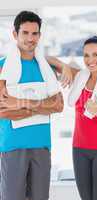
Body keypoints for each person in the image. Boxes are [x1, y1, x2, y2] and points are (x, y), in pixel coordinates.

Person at [48, 36, 97, 200]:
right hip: (79, 148)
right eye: (86, 55)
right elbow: (47, 59)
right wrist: (64, 67)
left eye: (95, 55)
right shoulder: (79, 77)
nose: (90, 60)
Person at [0, 11, 64, 200]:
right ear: (15, 34)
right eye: (25, 33)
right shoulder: (2, 67)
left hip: (41, 145)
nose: (30, 38)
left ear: (39, 35)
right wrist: (43, 106)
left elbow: (59, 105)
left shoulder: (45, 67)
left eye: (34, 33)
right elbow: (3, 111)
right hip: (12, 146)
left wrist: (20, 104)